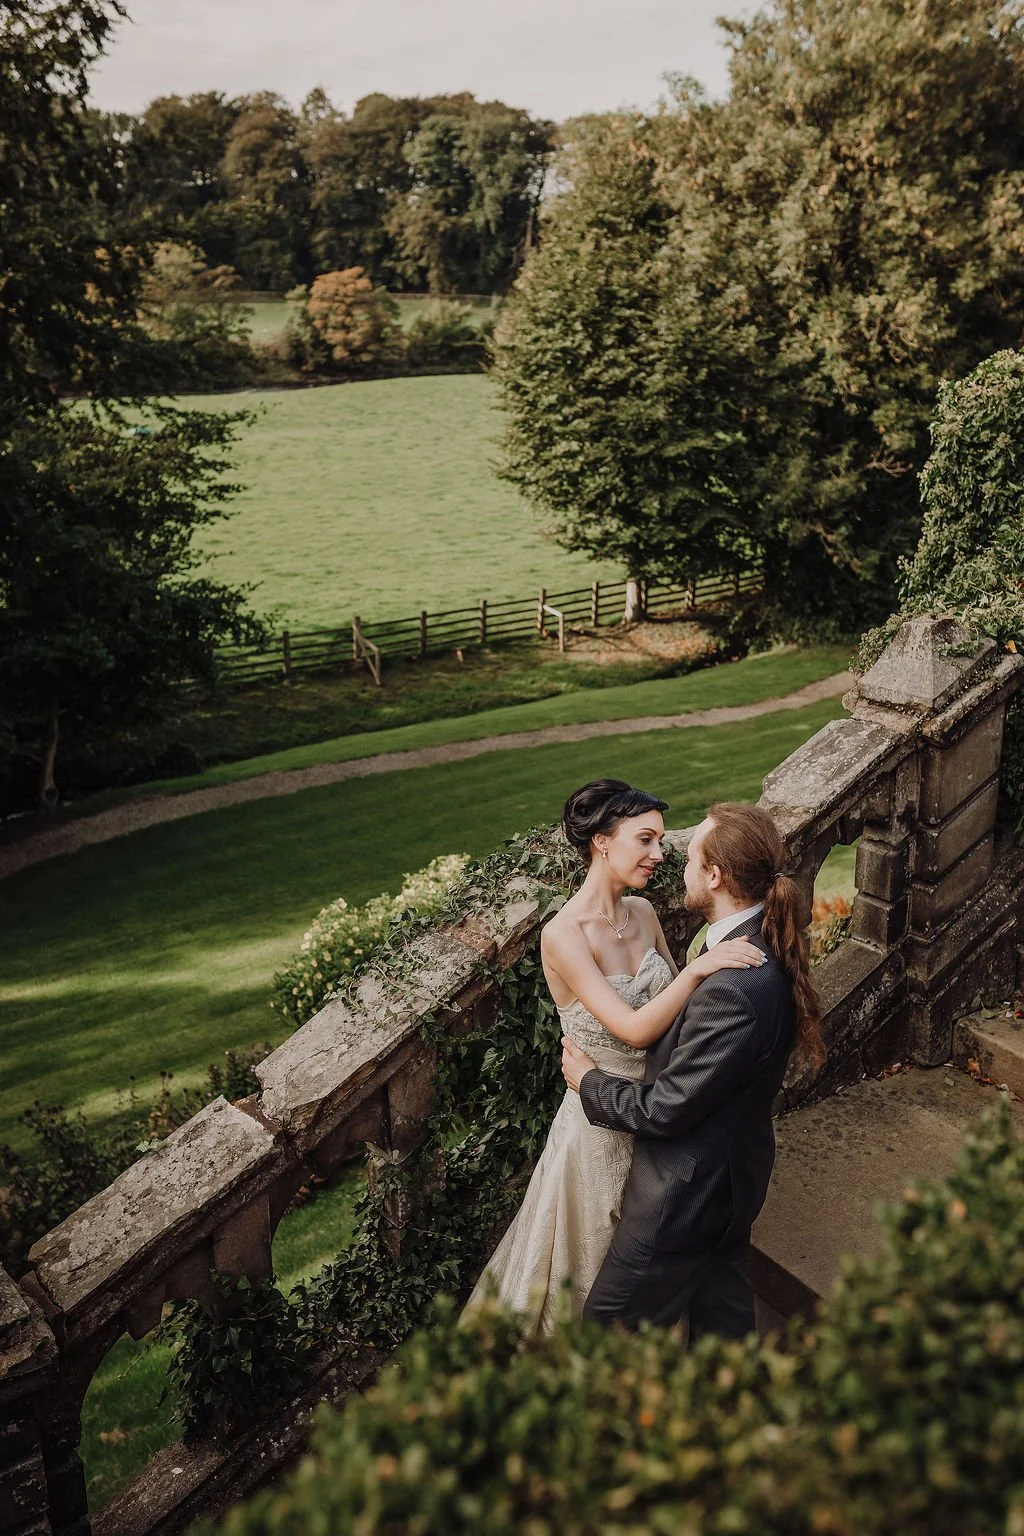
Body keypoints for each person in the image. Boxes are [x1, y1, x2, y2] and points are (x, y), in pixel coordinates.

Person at [463, 779, 766, 1337]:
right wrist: (701, 966)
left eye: (659, 842)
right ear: (602, 841)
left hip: (656, 1117)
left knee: (648, 1271)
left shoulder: (645, 914)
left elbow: (681, 1022)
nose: (658, 854)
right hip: (595, 1129)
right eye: (645, 840)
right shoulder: (563, 934)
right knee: (587, 1271)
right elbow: (631, 1028)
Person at [562, 800, 824, 1341]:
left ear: (714, 875)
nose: (672, 863)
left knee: (605, 1333)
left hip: (684, 1195)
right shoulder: (750, 943)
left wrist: (589, 1082)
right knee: (722, 1325)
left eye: (686, 856)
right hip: (731, 1178)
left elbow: (666, 1108)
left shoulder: (736, 983)